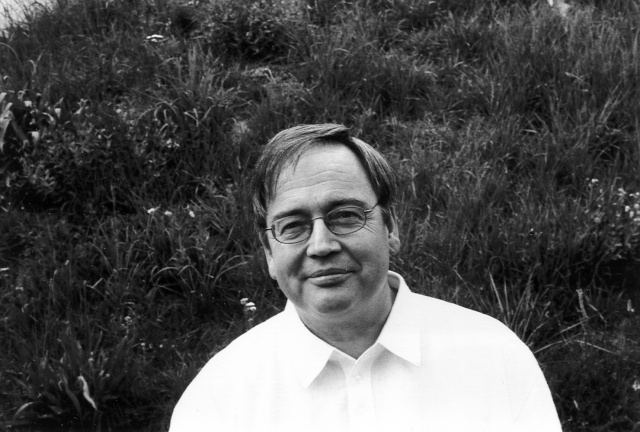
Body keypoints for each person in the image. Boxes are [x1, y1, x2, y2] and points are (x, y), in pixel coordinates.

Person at [168, 124, 562, 432]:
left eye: (345, 216)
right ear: (269, 253)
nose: (321, 245)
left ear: (390, 227)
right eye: (293, 226)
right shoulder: (219, 398)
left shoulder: (494, 357)